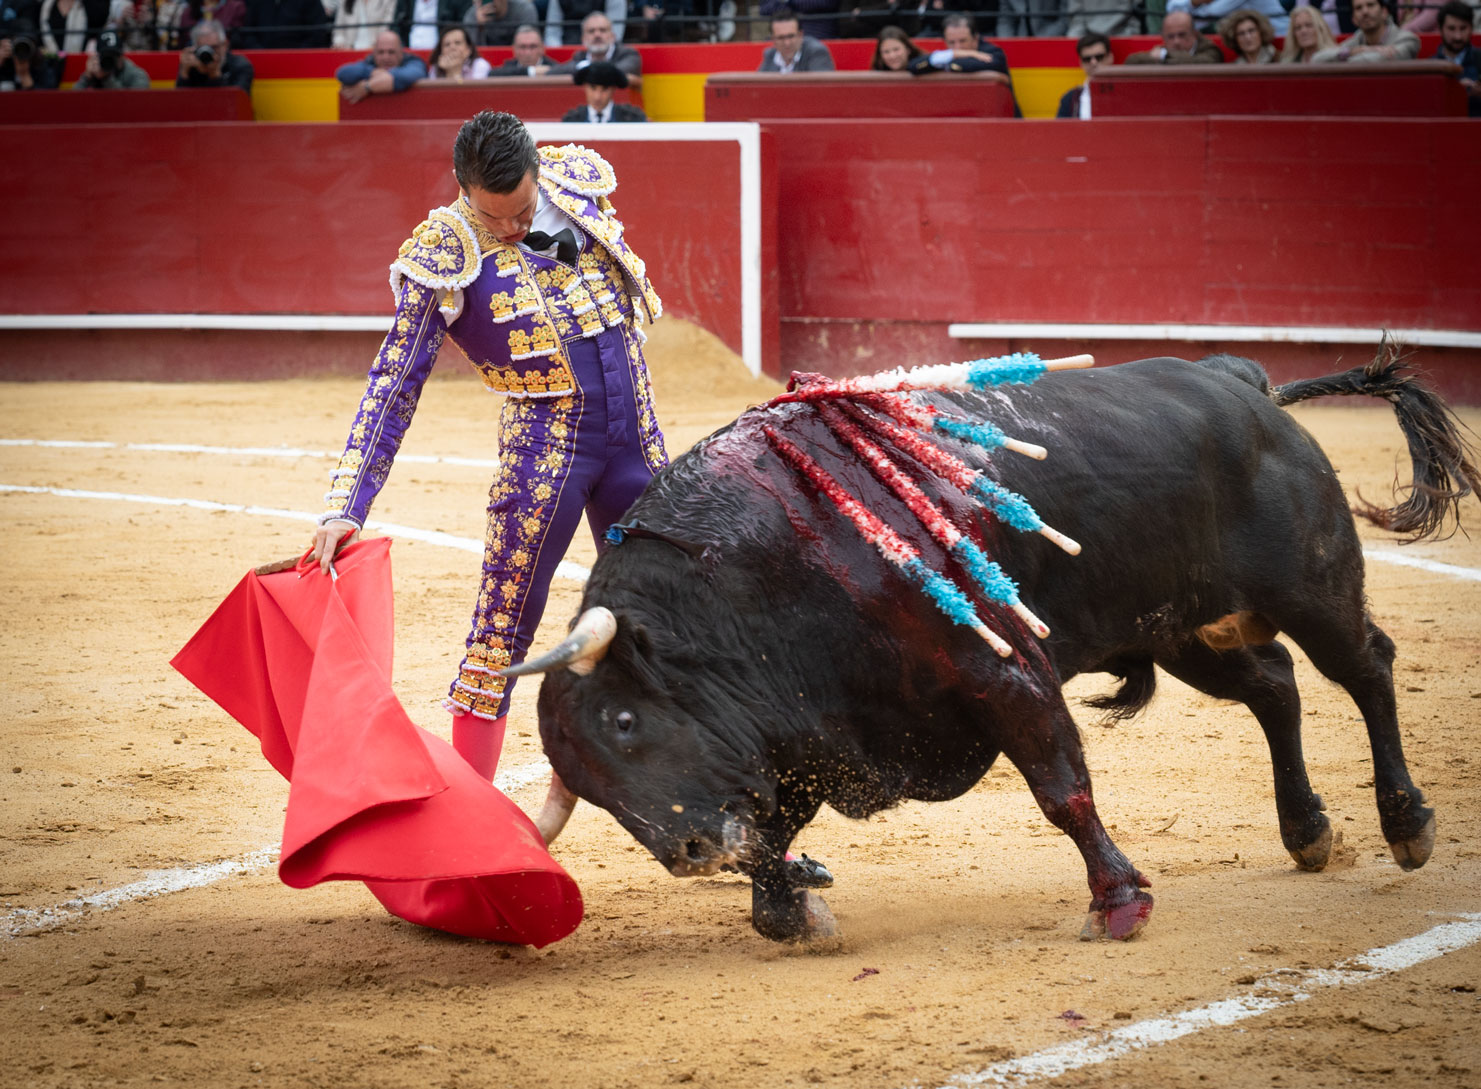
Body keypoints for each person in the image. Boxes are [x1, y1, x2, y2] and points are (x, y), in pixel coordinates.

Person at [310, 110, 668, 788]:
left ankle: (715, 809)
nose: (509, 228)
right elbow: (394, 382)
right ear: (461, 187)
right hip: (545, 456)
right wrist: (345, 503)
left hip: (636, 443)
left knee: (677, 622)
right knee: (499, 635)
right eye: (491, 216)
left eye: (523, 211)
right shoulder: (444, 254)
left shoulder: (577, 187)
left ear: (538, 173)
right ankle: (471, 819)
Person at [907, 12, 1011, 84]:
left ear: (975, 38)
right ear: (945, 41)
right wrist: (952, 54)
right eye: (951, 42)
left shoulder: (993, 52)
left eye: (963, 41)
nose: (958, 47)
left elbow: (974, 65)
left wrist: (944, 61)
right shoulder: (948, 56)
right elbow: (913, 66)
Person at [336, 27, 427, 102]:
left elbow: (403, 77)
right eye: (381, 52)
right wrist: (372, 72)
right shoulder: (370, 61)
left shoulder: (414, 62)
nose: (386, 57)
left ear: (401, 53)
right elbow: (343, 73)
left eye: (391, 52)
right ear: (374, 53)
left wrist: (366, 87)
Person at [554, 10, 641, 87]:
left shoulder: (628, 54)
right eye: (591, 31)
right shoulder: (579, 56)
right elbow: (555, 72)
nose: (597, 35)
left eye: (602, 30)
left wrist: (583, 68)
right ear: (583, 38)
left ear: (613, 36)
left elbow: (617, 72)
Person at [1313, 0, 1420, 59]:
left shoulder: (1408, 39)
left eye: (1370, 5)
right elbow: (1317, 59)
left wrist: (1349, 55)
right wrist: (1357, 51)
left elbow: (1372, 61)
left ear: (1384, 12)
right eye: (1358, 8)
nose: (1365, 12)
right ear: (1353, 19)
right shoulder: (1356, 41)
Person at [175, 18, 254, 89]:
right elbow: (180, 99)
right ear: (195, 48)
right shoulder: (191, 66)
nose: (209, 52)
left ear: (225, 45)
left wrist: (215, 75)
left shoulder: (240, 66)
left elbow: (238, 99)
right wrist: (184, 73)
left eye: (214, 47)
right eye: (203, 48)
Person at [1432, 0, 1478, 115]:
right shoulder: (1428, 67)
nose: (1458, 36)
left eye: (1463, 28)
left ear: (1471, 28)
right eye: (1451, 28)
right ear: (1440, 29)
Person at [1125, 10, 1225, 62]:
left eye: (1182, 35)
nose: (1176, 41)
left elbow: (1204, 62)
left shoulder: (1210, 49)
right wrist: (1160, 56)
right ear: (1163, 37)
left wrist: (1164, 56)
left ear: (1194, 33)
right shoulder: (1163, 50)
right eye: (1170, 36)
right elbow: (1131, 60)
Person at [561, 58, 647, 118]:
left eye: (605, 89)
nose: (597, 97)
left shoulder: (633, 118)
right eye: (593, 88)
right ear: (585, 87)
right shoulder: (572, 119)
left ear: (613, 89)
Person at [757, 9, 834, 70]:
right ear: (773, 39)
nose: (787, 43)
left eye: (791, 36)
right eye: (780, 38)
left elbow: (822, 84)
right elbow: (758, 84)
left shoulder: (816, 52)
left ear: (800, 35)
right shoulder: (770, 55)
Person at [1056, 30, 1109, 117]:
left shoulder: (1125, 94)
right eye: (1087, 59)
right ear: (1081, 62)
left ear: (1110, 57)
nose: (1093, 62)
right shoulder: (1070, 99)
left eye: (1099, 57)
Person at [74, 28, 150, 86]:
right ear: (97, 56)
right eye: (105, 56)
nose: (109, 60)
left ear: (122, 55)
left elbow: (129, 100)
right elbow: (73, 100)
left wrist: (106, 78)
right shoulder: (94, 72)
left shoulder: (138, 76)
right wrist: (86, 77)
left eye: (114, 55)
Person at [237, 0, 330, 47]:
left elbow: (317, 33)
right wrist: (260, 52)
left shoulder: (310, 2)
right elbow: (248, 33)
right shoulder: (255, 2)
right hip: (260, 61)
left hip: (302, 61)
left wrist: (297, 54)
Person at [0, 19, 63, 89]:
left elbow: (47, 93)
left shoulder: (41, 63)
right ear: (9, 42)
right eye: (19, 43)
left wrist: (24, 75)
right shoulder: (5, 61)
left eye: (27, 43)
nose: (22, 50)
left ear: (34, 45)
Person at [1164, 0, 1288, 35]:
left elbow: (1213, 12)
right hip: (1252, 40)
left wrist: (1198, 3)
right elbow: (1172, 8)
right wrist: (1193, 2)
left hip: (1281, 36)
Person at [38, 0, 108, 53]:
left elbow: (100, 20)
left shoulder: (89, 4)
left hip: (82, 61)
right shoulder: (45, 5)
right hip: (49, 62)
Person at [426, 24, 493, 79]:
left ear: (469, 49)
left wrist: (455, 73)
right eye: (447, 44)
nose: (452, 47)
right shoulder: (435, 69)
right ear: (441, 51)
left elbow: (475, 91)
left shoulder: (480, 65)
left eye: (457, 43)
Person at [326, 0, 397, 50]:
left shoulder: (388, 1)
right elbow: (338, 31)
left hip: (375, 50)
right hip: (349, 50)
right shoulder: (345, 1)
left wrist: (377, 45)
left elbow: (386, 27)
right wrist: (339, 43)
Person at [464, 0, 538, 46]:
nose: (489, 3)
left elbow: (528, 45)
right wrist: (479, 28)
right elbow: (471, 52)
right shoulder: (473, 15)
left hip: (517, 61)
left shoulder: (523, 9)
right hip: (486, 60)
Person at [759, 0, 840, 41]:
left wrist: (788, 2)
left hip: (818, 32)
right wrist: (794, 10)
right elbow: (765, 8)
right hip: (783, 30)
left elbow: (825, 3)